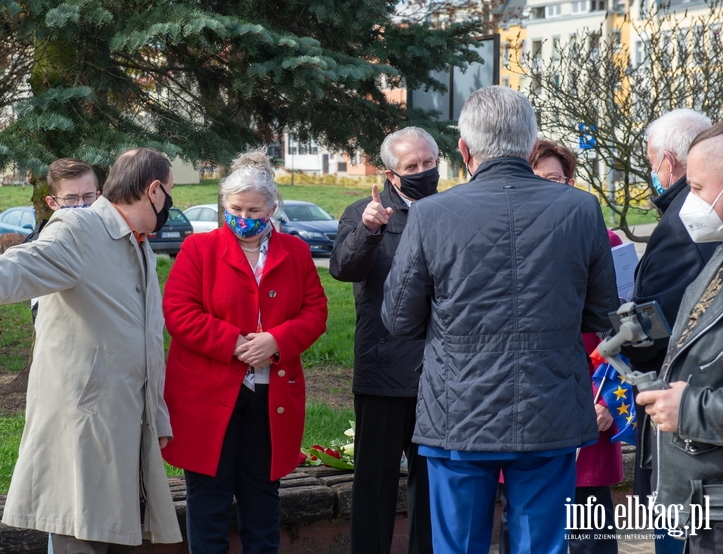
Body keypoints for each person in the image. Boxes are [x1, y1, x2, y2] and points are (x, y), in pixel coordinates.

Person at [382, 85, 618, 554]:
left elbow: (399, 318)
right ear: (532, 148)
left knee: (459, 545)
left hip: (458, 411)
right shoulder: (581, 207)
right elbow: (601, 312)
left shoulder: (430, 213)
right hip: (548, 406)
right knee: (541, 544)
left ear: (464, 151)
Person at [0, 148, 181, 552]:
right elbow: (27, 261)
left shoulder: (137, 244)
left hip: (128, 421)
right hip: (85, 426)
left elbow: (148, 339)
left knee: (117, 532)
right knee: (80, 532)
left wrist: (157, 416)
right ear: (155, 189)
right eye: (171, 191)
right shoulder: (80, 227)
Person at [162, 148, 328, 554]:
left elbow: (316, 311)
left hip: (271, 396)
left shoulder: (296, 252)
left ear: (272, 207)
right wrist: (233, 343)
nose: (245, 217)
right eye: (236, 208)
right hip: (208, 395)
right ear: (224, 204)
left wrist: (278, 341)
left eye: (255, 210)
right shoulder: (197, 250)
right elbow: (179, 312)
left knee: (262, 494)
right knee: (209, 496)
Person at [497, 140, 624, 554]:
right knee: (522, 531)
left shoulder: (609, 242)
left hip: (589, 406)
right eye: (536, 180)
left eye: (555, 179)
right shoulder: (500, 244)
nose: (547, 188)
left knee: (591, 533)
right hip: (522, 408)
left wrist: (608, 399)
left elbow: (624, 333)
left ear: (570, 182)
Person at [329, 126, 437, 554]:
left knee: (430, 488)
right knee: (373, 485)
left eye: (429, 163)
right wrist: (368, 231)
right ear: (391, 174)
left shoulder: (450, 209)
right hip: (382, 370)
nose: (423, 171)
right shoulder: (364, 212)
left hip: (438, 372)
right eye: (412, 166)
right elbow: (343, 268)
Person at [621, 109, 713, 554]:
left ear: (670, 161)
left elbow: (664, 328)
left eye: (698, 188)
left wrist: (629, 332)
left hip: (687, 426)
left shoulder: (683, 223)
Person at [25, 158, 101, 322]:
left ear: (98, 196)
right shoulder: (44, 245)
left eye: (88, 197)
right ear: (52, 202)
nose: (81, 205)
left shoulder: (110, 235)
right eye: (71, 199)